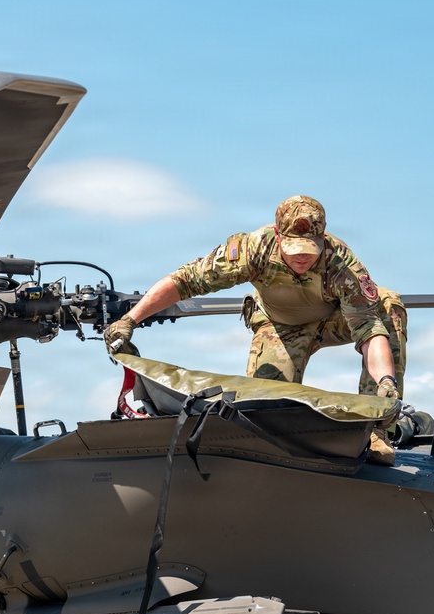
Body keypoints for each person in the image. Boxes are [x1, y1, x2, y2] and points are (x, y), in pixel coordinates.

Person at [104, 195, 406, 465]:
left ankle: (377, 429)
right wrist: (130, 320)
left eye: (310, 249)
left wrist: (386, 383)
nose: (302, 257)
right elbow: (185, 281)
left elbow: (369, 331)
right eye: (293, 249)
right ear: (278, 236)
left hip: (335, 322)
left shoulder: (343, 264)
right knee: (264, 416)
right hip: (280, 327)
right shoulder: (253, 250)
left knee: (388, 303)